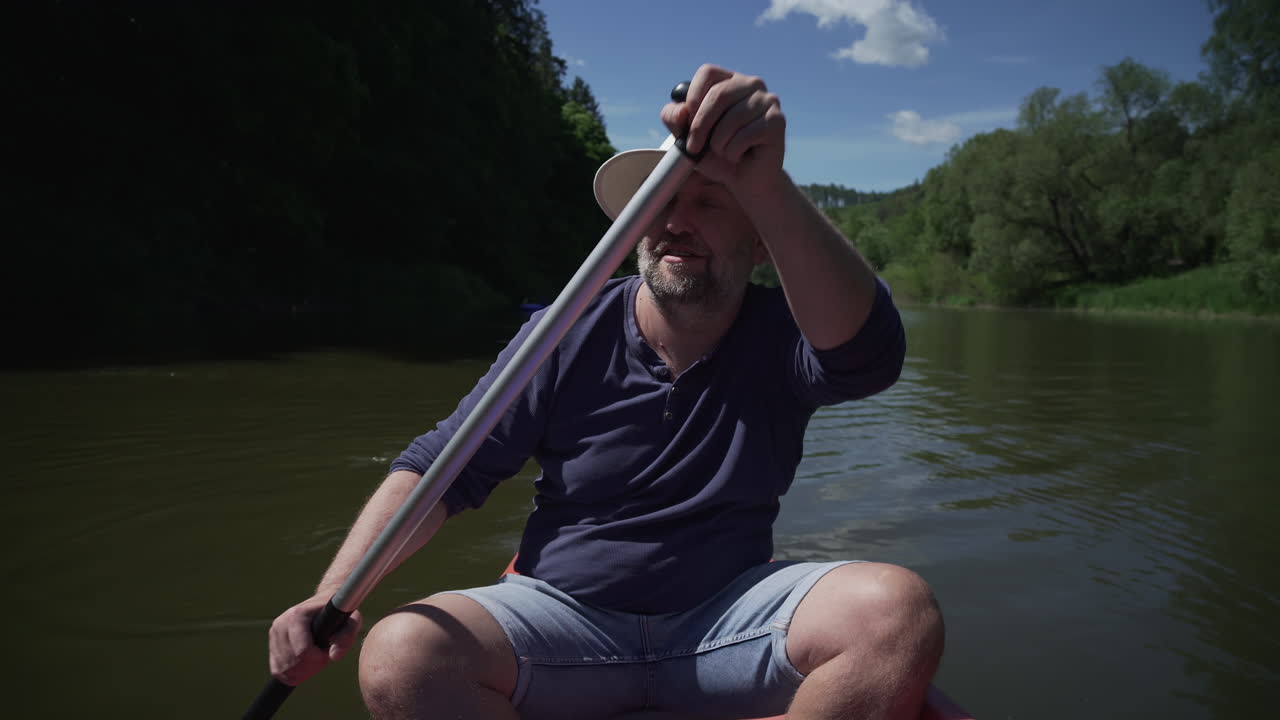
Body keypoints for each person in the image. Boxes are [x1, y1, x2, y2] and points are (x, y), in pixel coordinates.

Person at [267, 64, 944, 720]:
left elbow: (868, 359)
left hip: (726, 622)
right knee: (400, 657)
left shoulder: (786, 332)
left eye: (710, 202)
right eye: (662, 202)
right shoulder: (562, 328)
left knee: (896, 614)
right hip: (562, 622)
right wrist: (332, 596)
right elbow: (442, 469)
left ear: (760, 241)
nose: (679, 221)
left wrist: (766, 179)